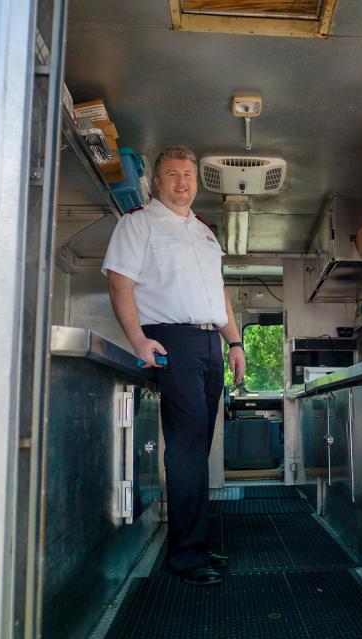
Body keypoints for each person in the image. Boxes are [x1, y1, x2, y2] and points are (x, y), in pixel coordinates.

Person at [102, 145, 246, 587]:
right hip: (172, 341)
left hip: (209, 343)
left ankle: (194, 544)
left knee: (197, 451)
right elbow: (119, 282)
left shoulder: (204, 233)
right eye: (173, 174)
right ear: (158, 182)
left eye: (189, 174)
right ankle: (185, 557)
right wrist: (139, 340)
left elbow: (219, 294)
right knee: (185, 449)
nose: (183, 182)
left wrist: (235, 342)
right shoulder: (138, 223)